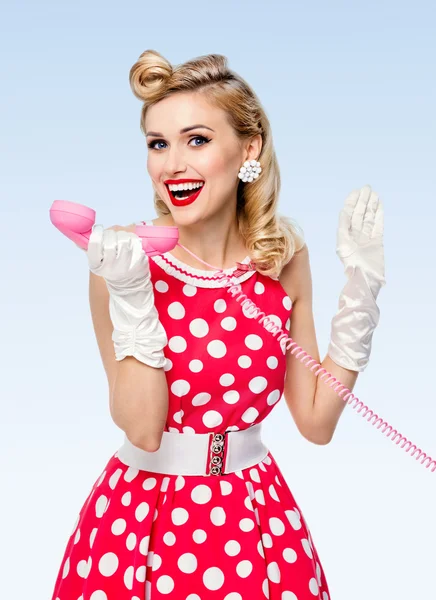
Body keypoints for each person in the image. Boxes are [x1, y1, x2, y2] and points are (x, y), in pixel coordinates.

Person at [51, 50, 385, 600]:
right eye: (158, 144)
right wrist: (134, 294)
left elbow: (317, 423)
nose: (171, 164)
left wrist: (361, 296)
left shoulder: (283, 257)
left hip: (257, 517)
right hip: (142, 523)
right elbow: (142, 429)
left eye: (197, 140)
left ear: (248, 149)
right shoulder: (123, 259)